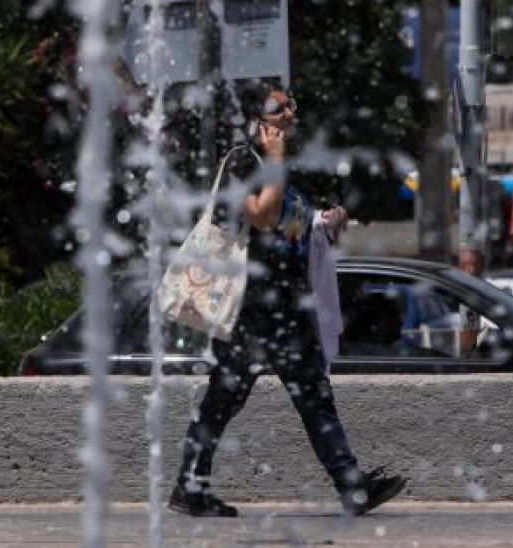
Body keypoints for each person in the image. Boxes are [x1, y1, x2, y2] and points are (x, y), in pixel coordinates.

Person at [168, 79, 407, 518]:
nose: (290, 114)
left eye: (292, 105)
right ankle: (348, 486)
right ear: (255, 119)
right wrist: (276, 158)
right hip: (255, 309)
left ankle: (191, 486)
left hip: (281, 308)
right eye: (280, 108)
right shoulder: (245, 161)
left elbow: (289, 228)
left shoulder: (269, 166)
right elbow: (261, 216)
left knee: (260, 397)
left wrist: (326, 223)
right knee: (255, 397)